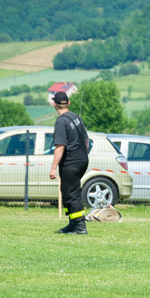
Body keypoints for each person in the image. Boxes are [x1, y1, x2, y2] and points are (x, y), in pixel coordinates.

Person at [49, 91, 89, 235]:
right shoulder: (76, 117)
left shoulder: (61, 121)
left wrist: (53, 168)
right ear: (68, 103)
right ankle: (72, 223)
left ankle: (80, 227)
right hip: (82, 160)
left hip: (71, 162)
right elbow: (87, 141)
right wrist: (81, 155)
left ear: (55, 104)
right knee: (67, 192)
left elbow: (60, 147)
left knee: (72, 193)